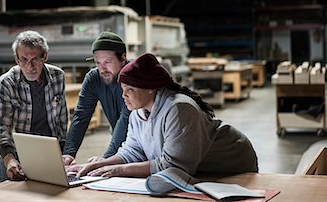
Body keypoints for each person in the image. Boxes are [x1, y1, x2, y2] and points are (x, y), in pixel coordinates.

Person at [68, 53, 258, 178]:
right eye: (122, 89)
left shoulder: (179, 109)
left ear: (150, 88)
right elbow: (132, 151)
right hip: (200, 170)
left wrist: (118, 170)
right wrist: (99, 164)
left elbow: (173, 167)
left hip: (232, 166)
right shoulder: (137, 112)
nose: (123, 96)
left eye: (130, 89)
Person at [0, 30, 68, 182]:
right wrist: (9, 159)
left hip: (50, 151)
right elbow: (1, 126)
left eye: (35, 59)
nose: (29, 66)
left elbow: (62, 119)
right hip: (16, 153)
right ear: (16, 59)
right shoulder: (6, 83)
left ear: (44, 56)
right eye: (24, 59)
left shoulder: (58, 77)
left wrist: (64, 153)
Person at [62, 31, 131, 165]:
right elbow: (81, 115)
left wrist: (106, 159)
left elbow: (126, 117)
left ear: (123, 58)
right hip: (120, 143)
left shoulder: (133, 75)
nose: (102, 69)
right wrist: (68, 154)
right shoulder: (94, 78)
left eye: (107, 62)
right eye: (98, 62)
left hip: (145, 145)